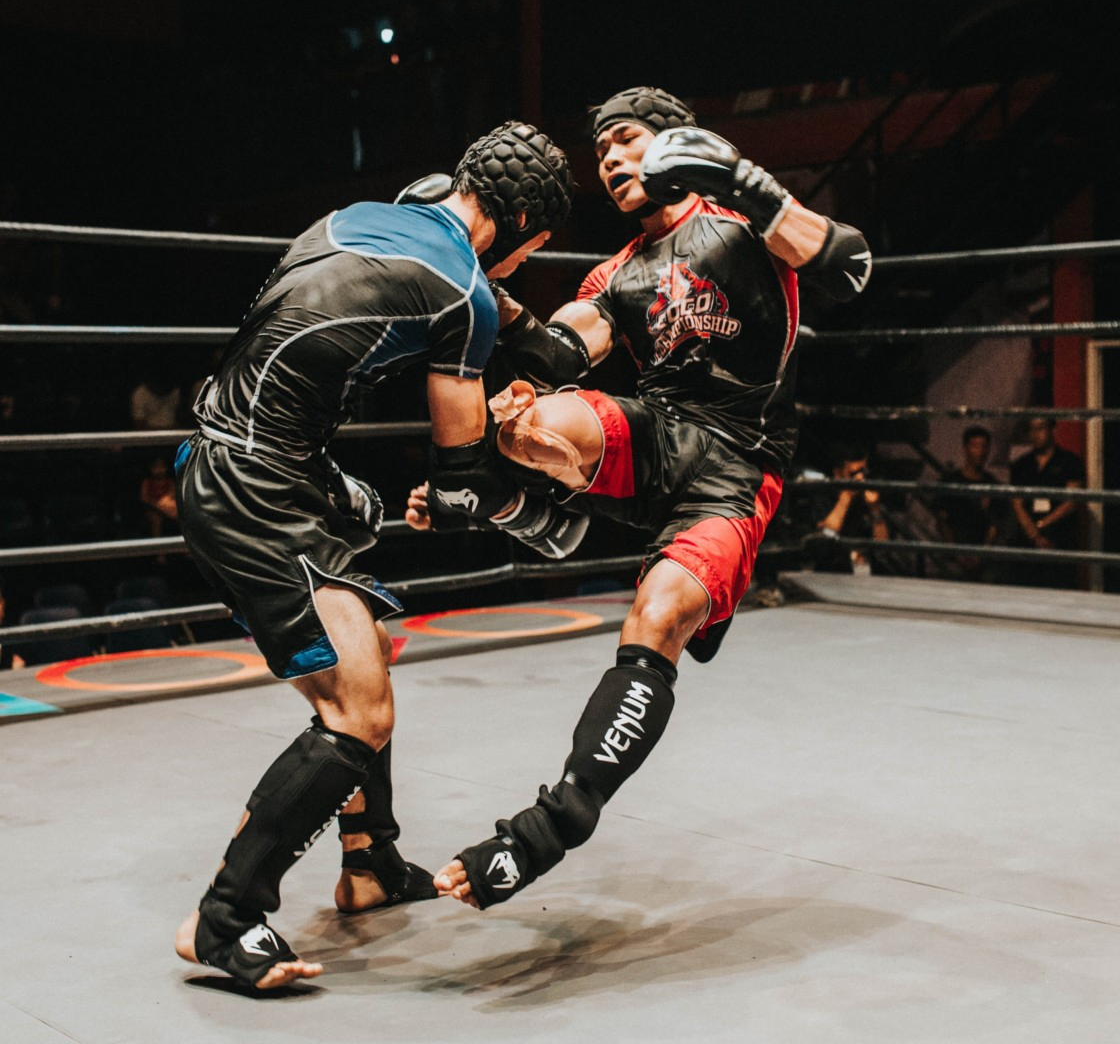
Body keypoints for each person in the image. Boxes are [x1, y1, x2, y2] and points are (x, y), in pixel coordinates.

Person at [409, 86, 872, 910]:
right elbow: (559, 350)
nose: (611, 160)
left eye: (625, 139)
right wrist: (476, 278)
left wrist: (745, 181)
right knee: (525, 423)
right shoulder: (617, 272)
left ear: (673, 141)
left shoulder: (745, 226)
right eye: (600, 152)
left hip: (736, 467)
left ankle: (549, 827)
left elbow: (849, 266)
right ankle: (522, 515)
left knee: (656, 620)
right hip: (657, 438)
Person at [172, 121, 573, 989]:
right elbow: (460, 478)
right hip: (259, 485)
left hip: (248, 459)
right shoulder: (462, 293)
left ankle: (370, 864)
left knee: (370, 651)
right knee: (359, 709)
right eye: (530, 250)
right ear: (525, 230)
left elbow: (457, 274)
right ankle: (223, 919)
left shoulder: (362, 216)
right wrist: (521, 506)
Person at [1009, 415, 1085, 588]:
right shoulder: (1021, 465)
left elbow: (1072, 501)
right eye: (1031, 430)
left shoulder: (1070, 461)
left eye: (1040, 428)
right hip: (1027, 543)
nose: (1035, 434)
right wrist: (1035, 535)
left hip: (1061, 539)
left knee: (1061, 590)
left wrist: (1043, 524)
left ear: (1052, 429)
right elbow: (1017, 504)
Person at [808, 445, 890, 575]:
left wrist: (875, 509)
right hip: (831, 571)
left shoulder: (867, 496)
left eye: (863, 472)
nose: (860, 478)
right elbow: (825, 538)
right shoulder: (823, 495)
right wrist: (847, 495)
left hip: (862, 570)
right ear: (837, 474)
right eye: (853, 474)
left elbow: (882, 545)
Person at [935, 425, 1001, 580]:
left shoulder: (992, 484)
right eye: (975, 446)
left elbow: (995, 525)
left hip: (983, 559)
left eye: (984, 446)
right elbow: (941, 520)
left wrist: (982, 553)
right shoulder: (950, 482)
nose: (980, 452)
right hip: (954, 557)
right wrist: (956, 552)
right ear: (965, 448)